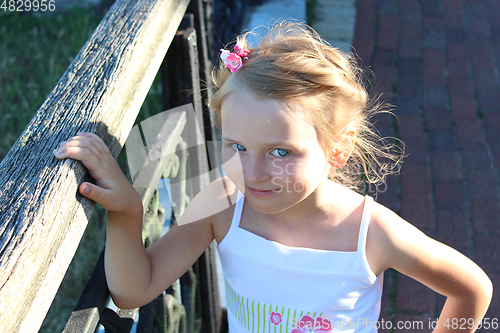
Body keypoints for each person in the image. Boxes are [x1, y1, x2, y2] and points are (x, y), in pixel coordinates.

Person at [54, 22, 492, 332]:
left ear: (336, 148)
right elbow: (135, 290)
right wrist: (127, 212)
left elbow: (472, 289)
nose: (253, 172)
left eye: (280, 152)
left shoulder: (369, 233)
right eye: (237, 146)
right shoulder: (223, 203)